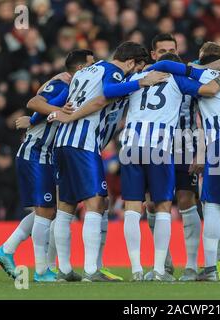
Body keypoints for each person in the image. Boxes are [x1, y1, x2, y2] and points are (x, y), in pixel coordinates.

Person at [51, 41, 166, 282]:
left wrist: (56, 112)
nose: (136, 73)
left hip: (62, 141)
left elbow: (62, 97)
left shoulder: (84, 72)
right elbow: (106, 95)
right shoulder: (113, 71)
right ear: (132, 62)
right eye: (138, 68)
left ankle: (63, 270)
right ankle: (91, 271)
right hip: (82, 142)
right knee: (97, 202)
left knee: (67, 205)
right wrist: (140, 82)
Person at [121, 52, 220, 281]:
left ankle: (137, 270)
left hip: (131, 144)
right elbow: (210, 91)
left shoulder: (136, 78)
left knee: (134, 207)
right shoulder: (179, 79)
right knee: (163, 205)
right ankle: (158, 270)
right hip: (162, 144)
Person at [0, 49, 94, 282]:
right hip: (35, 152)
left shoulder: (74, 87)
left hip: (48, 154)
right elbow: (34, 101)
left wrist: (36, 119)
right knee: (46, 211)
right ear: (80, 69)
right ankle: (40, 271)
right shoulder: (63, 84)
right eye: (91, 64)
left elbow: (41, 109)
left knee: (48, 210)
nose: (95, 67)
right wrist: (54, 112)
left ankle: (6, 250)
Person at [143, 33, 203, 282]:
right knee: (152, 202)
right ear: (153, 55)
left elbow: (204, 110)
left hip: (184, 143)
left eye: (173, 49)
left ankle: (191, 265)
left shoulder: (188, 77)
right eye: (163, 50)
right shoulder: (144, 78)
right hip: (153, 143)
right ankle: (163, 263)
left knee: (187, 199)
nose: (169, 53)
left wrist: (202, 148)